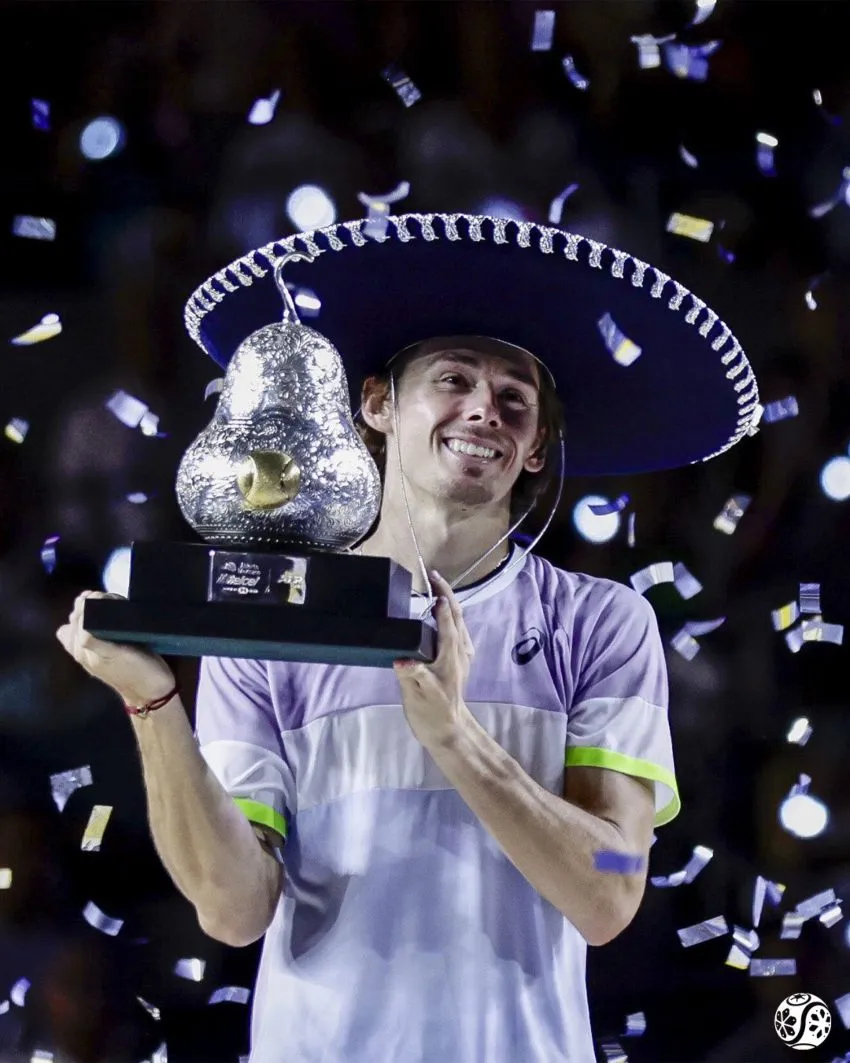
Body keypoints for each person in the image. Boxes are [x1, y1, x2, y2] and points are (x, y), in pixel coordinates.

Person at [58, 211, 761, 1062]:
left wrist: (458, 738)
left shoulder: (603, 623)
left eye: (515, 399)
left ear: (537, 447)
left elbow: (612, 889)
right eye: (453, 379)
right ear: (377, 403)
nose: (483, 410)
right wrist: (153, 701)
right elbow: (233, 909)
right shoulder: (272, 625)